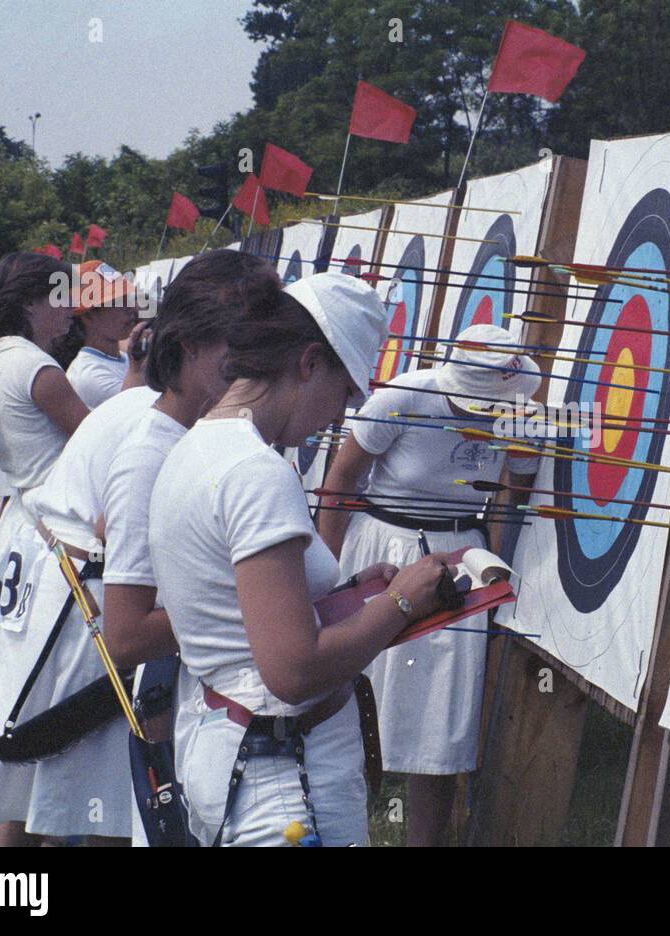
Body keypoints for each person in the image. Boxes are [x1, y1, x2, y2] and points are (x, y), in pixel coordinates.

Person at [148, 272, 453, 846]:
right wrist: (402, 601)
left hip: (246, 748)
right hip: (279, 775)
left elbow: (243, 612)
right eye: (343, 393)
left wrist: (350, 596)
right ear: (310, 362)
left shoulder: (201, 445)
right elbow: (293, 670)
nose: (340, 417)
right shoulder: (254, 472)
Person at [318, 322, 541, 845]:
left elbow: (516, 494)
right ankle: (338, 825)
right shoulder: (403, 397)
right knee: (347, 694)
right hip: (382, 550)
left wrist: (499, 571)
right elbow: (342, 478)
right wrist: (326, 574)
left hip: (461, 560)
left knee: (441, 713)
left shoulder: (522, 414)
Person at [99, 249, 280, 846]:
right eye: (237, 356)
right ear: (183, 345)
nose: (254, 371)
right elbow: (124, 635)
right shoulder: (151, 455)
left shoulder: (206, 436)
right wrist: (257, 608)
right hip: (181, 708)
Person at [0, 252, 89, 846]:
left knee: (31, 708)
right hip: (52, 538)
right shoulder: (40, 370)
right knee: (48, 714)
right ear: (32, 302)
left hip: (21, 525)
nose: (69, 309)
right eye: (60, 296)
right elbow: (98, 445)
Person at [65, 261, 139, 408]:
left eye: (128, 298)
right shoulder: (89, 375)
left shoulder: (123, 358)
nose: (132, 307)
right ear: (88, 316)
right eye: (117, 302)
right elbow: (144, 410)